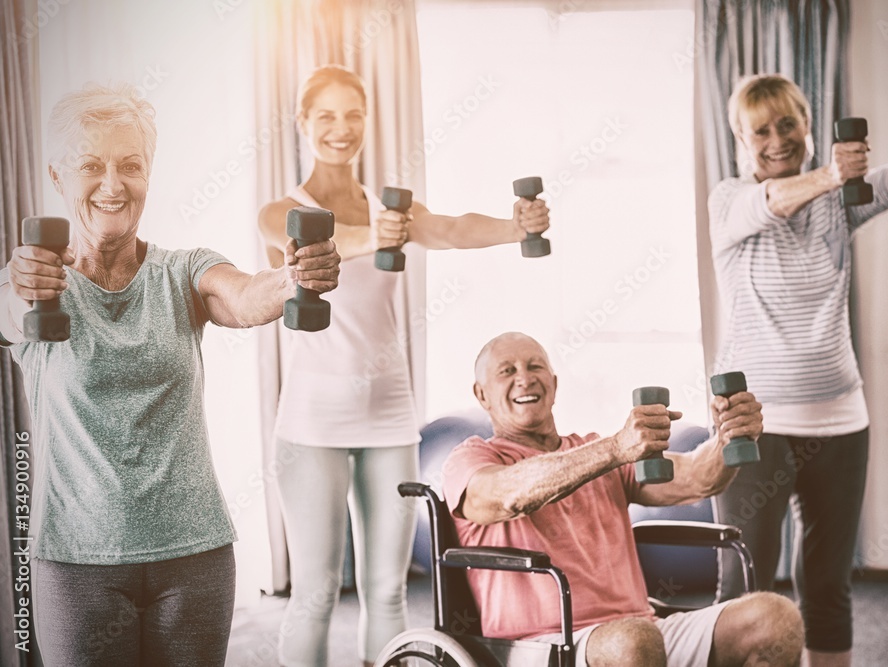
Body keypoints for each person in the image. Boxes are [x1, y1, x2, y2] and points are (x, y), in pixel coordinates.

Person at [0, 82, 340, 666]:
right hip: (77, 563)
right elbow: (9, 308)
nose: (113, 185)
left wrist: (291, 280)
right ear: (58, 177)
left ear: (149, 176)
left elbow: (242, 297)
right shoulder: (37, 286)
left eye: (131, 165)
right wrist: (18, 282)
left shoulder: (182, 272)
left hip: (195, 558)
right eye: (91, 166)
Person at [257, 64, 550, 667]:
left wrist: (512, 227)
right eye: (327, 116)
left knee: (388, 591)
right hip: (311, 424)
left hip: (388, 416)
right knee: (313, 592)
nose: (342, 128)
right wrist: (382, 235)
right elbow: (320, 243)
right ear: (303, 123)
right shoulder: (281, 212)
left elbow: (449, 228)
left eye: (354, 115)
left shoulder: (386, 207)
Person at [708, 74, 888, 667]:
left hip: (840, 419)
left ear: (809, 126)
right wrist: (836, 175)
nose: (778, 139)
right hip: (753, 430)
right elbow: (772, 201)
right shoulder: (728, 201)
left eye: (789, 124)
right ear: (740, 136)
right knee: (744, 587)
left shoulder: (839, 202)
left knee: (827, 586)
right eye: (761, 130)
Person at [441, 331, 804, 667]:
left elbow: (697, 477)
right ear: (482, 394)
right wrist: (616, 448)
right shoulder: (470, 458)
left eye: (535, 366)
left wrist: (727, 438)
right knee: (633, 644)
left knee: (776, 620)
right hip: (539, 645)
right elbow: (508, 496)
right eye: (507, 371)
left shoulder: (595, 451)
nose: (524, 377)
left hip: (640, 630)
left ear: (554, 383)